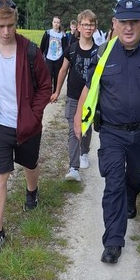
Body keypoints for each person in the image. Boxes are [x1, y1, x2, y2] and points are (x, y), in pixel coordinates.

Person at [74, 0, 140, 264]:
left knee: (134, 175)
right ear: (115, 24)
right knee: (113, 182)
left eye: (134, 21)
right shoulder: (103, 53)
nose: (129, 27)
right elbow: (87, 89)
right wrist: (79, 118)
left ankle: (132, 194)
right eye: (123, 22)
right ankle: (113, 241)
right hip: (111, 132)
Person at [0, 0, 51, 255]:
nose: (6, 31)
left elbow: (45, 86)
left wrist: (33, 114)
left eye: (10, 25)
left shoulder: (30, 50)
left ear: (16, 21)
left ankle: (32, 192)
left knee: (30, 163)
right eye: (0, 25)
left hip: (27, 124)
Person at [50, 10, 98, 181]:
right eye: (85, 24)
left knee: (86, 129)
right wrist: (56, 91)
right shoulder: (71, 50)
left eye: (91, 24)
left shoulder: (99, 52)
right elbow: (63, 70)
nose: (88, 28)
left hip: (90, 99)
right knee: (73, 130)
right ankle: (73, 168)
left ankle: (84, 152)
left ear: (95, 27)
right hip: (72, 96)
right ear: (78, 27)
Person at [40, 15, 68, 93]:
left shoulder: (63, 35)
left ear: (60, 24)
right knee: (48, 76)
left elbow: (66, 48)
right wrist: (40, 56)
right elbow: (42, 45)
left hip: (59, 58)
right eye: (55, 22)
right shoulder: (48, 33)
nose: (56, 24)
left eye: (58, 22)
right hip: (49, 57)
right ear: (52, 23)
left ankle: (55, 92)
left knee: (57, 76)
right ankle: (47, 92)